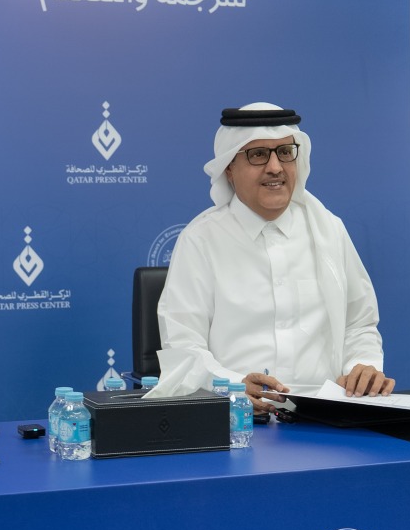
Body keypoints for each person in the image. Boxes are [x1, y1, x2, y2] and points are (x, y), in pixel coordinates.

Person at [156, 103, 395, 413]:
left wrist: (361, 366)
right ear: (229, 169)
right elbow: (183, 347)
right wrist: (231, 386)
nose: (275, 167)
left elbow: (359, 323)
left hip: (324, 420)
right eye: (258, 155)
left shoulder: (328, 229)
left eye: (284, 152)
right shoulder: (201, 240)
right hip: (238, 421)